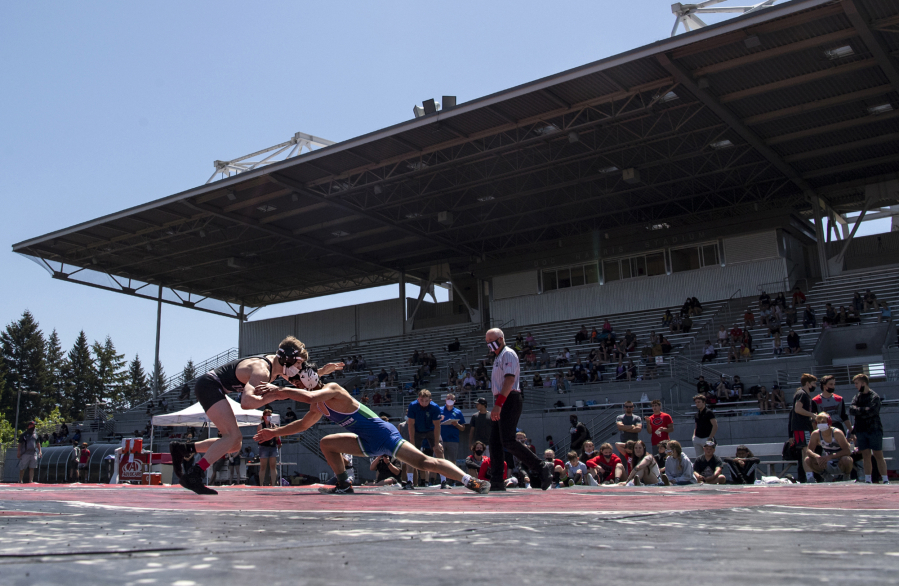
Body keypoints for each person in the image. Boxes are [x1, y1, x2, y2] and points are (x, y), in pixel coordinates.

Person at [254, 365, 490, 494]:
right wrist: (274, 432)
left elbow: (309, 394)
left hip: (382, 434)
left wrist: (278, 391)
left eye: (296, 384)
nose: (294, 387)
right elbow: (303, 425)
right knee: (327, 443)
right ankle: (344, 483)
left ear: (306, 382)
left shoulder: (333, 389)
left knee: (424, 462)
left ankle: (469, 480)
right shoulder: (317, 406)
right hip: (364, 441)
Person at [168, 336, 333, 495]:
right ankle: (195, 473)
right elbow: (246, 403)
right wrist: (275, 395)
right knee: (232, 436)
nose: (299, 369)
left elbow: (299, 380)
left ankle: (184, 448)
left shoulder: (277, 365)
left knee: (234, 445)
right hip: (210, 386)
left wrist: (321, 372)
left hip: (212, 386)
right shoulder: (262, 371)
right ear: (287, 360)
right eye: (298, 364)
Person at [485, 327, 553, 491]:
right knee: (494, 442)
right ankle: (496, 481)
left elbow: (509, 381)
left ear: (501, 339)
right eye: (487, 342)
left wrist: (498, 404)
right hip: (502, 398)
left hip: (509, 399)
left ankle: (542, 467)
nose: (489, 345)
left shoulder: (508, 354)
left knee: (508, 440)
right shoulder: (498, 357)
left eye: (492, 342)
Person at [849, 373, 889, 484]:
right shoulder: (857, 396)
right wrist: (864, 410)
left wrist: (859, 410)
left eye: (857, 383)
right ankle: (868, 479)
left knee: (878, 454)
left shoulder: (874, 396)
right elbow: (851, 409)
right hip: (861, 430)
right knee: (865, 455)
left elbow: (872, 411)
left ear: (863, 383)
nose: (856, 386)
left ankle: (885, 479)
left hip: (874, 429)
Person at [405, 389, 442, 487]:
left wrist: (436, 443)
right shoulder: (413, 406)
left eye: (426, 401)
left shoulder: (435, 407)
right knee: (411, 452)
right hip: (417, 430)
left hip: (431, 430)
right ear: (418, 399)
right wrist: (412, 441)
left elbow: (437, 426)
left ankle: (444, 480)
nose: (424, 403)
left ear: (430, 400)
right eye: (421, 400)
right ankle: (409, 481)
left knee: (439, 450)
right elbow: (411, 424)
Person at [805, 413, 853, 482]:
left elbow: (848, 451)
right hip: (826, 462)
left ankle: (847, 475)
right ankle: (826, 476)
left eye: (823, 422)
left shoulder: (837, 433)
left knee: (847, 459)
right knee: (808, 460)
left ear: (829, 422)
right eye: (818, 422)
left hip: (840, 461)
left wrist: (830, 457)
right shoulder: (815, 434)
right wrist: (816, 456)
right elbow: (808, 450)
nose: (821, 424)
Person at [791, 373, 819, 482]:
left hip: (802, 426)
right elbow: (798, 409)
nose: (815, 386)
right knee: (807, 450)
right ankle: (810, 476)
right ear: (807, 383)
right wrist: (812, 415)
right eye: (813, 383)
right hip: (801, 427)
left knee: (805, 451)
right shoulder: (802, 394)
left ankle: (809, 475)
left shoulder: (804, 395)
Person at [438, 393, 466, 488]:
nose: (449, 400)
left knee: (452, 461)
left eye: (451, 399)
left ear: (454, 401)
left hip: (453, 440)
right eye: (448, 398)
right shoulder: (440, 410)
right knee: (440, 460)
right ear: (445, 399)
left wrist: (456, 425)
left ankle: (452, 480)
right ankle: (442, 480)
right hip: (441, 439)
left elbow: (463, 428)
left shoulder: (458, 412)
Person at [256, 408, 278, 486]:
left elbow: (276, 436)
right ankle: (261, 484)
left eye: (270, 415)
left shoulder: (274, 425)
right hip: (264, 447)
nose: (269, 416)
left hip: (272, 446)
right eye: (268, 415)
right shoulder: (261, 425)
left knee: (273, 466)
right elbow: (259, 436)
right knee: (263, 466)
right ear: (264, 416)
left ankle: (274, 483)